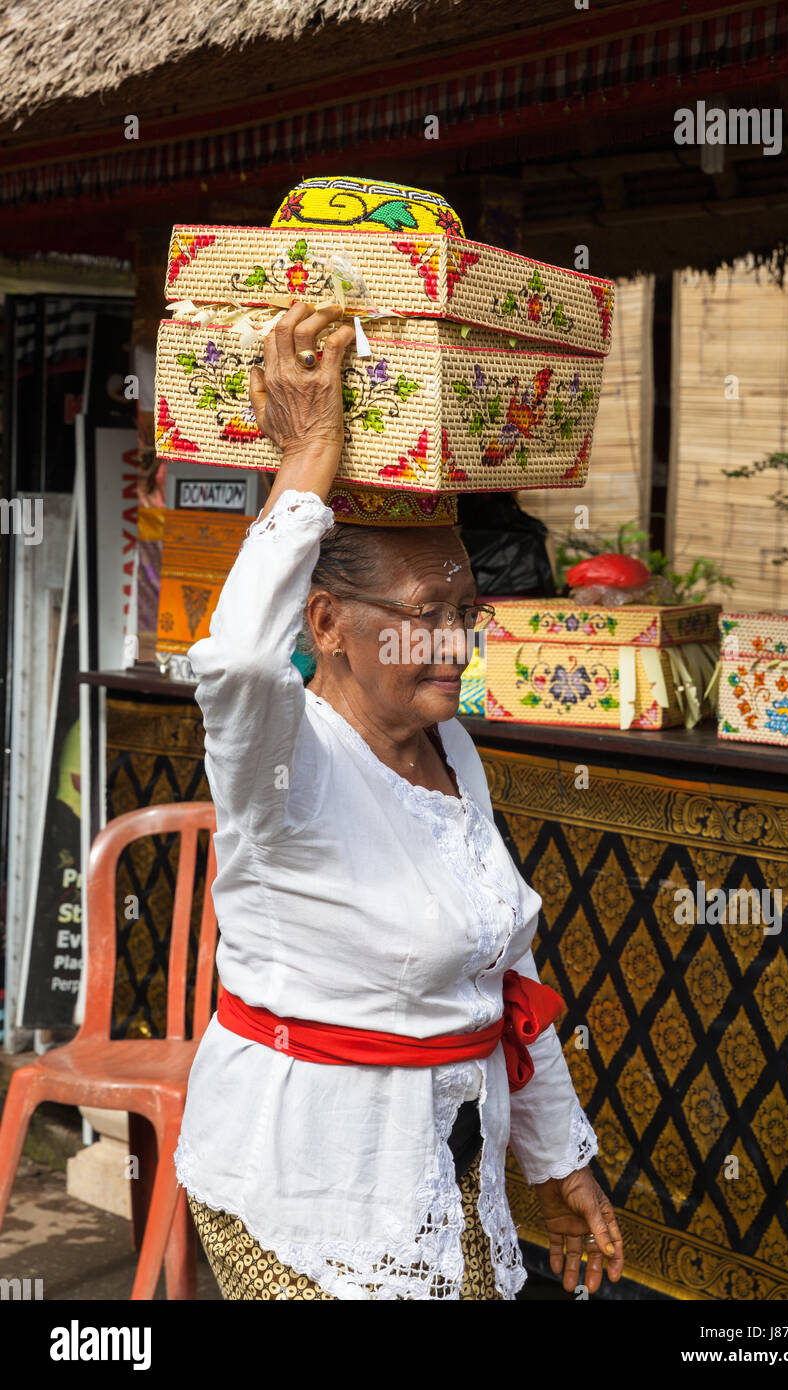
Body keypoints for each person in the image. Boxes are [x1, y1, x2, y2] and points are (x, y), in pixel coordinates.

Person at [175, 300, 625, 1301]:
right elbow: (239, 657)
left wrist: (558, 1163)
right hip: (298, 1191)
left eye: (467, 610)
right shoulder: (285, 762)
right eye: (428, 617)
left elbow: (505, 976)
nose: (458, 644)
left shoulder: (453, 748)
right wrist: (310, 454)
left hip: (442, 1170)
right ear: (327, 621)